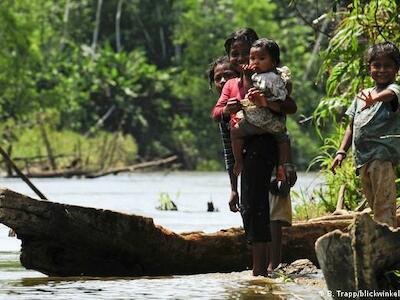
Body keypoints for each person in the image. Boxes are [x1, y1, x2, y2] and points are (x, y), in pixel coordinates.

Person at [211, 28, 297, 275]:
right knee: (252, 208)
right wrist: (229, 108)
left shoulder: (270, 76)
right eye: (234, 55)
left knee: (270, 209)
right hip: (246, 151)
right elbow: (218, 116)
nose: (241, 60)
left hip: (267, 148)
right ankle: (260, 271)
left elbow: (289, 106)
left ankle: (268, 268)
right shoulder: (231, 85)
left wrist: (267, 103)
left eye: (245, 54)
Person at [330, 41, 400, 228]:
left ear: (396, 69)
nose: (382, 70)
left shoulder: (394, 90)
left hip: (382, 158)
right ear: (369, 67)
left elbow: (390, 96)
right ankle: (382, 239)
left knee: (384, 205)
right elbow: (352, 126)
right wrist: (341, 152)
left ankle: (388, 243)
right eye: (377, 65)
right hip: (363, 160)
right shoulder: (362, 95)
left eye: (388, 66)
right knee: (374, 204)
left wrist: (375, 99)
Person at [230, 38, 292, 189]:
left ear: (273, 62)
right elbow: (285, 96)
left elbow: (249, 93)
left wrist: (246, 75)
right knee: (283, 139)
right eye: (253, 58)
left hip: (256, 121)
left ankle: (238, 162)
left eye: (261, 58)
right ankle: (282, 167)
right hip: (274, 123)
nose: (255, 62)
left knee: (235, 131)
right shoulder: (279, 77)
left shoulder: (263, 78)